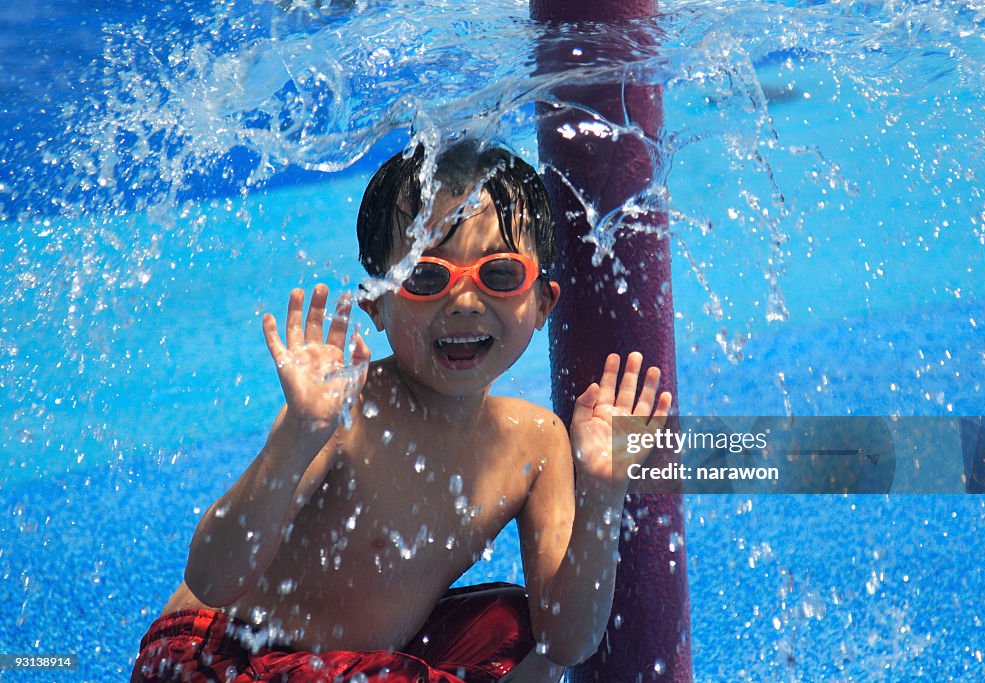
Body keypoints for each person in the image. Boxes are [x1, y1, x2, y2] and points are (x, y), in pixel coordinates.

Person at [132, 141, 672, 683]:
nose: (463, 302)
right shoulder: (341, 411)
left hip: (358, 669)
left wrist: (603, 492)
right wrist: (297, 434)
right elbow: (212, 579)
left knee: (516, 633)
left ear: (541, 305)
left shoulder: (536, 444)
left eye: (501, 275)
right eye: (426, 277)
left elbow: (567, 640)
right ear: (378, 307)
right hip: (216, 658)